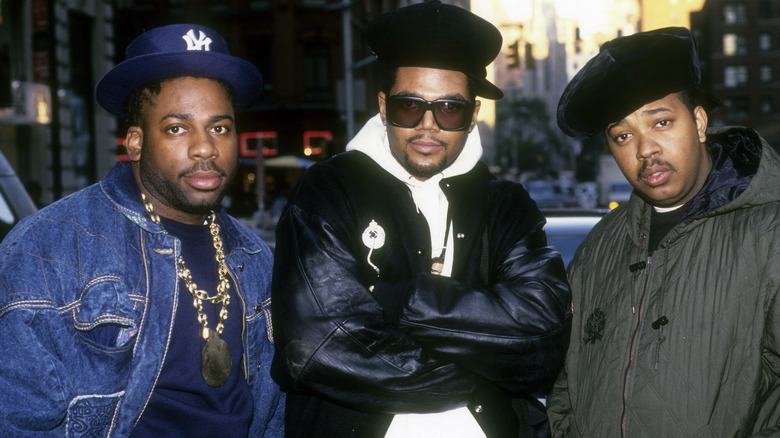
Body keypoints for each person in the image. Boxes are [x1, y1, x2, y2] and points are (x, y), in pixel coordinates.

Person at [271, 2, 572, 437]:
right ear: (382, 105)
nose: (427, 126)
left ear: (472, 116)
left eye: (449, 108)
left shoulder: (505, 204)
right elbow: (321, 346)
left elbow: (541, 341)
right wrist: (480, 376)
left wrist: (403, 299)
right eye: (409, 106)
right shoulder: (329, 191)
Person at [0, 24, 283, 436]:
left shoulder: (256, 257)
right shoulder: (46, 250)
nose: (205, 147)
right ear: (135, 142)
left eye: (219, 127)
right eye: (177, 128)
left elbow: (274, 415)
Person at [548, 27, 780, 436]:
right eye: (623, 135)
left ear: (699, 121)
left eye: (661, 122)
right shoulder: (599, 246)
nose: (644, 149)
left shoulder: (769, 233)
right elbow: (565, 383)